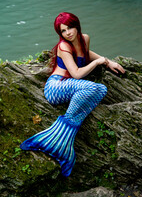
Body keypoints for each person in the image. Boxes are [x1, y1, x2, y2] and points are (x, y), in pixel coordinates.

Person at [20, 12, 125, 177]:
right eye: (63, 30)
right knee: (93, 88)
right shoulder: (64, 46)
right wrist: (99, 62)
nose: (68, 33)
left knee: (101, 89)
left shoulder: (84, 38)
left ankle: (65, 135)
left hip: (69, 86)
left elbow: (85, 53)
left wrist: (107, 61)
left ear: (77, 26)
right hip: (56, 86)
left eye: (70, 27)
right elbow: (76, 74)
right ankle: (61, 129)